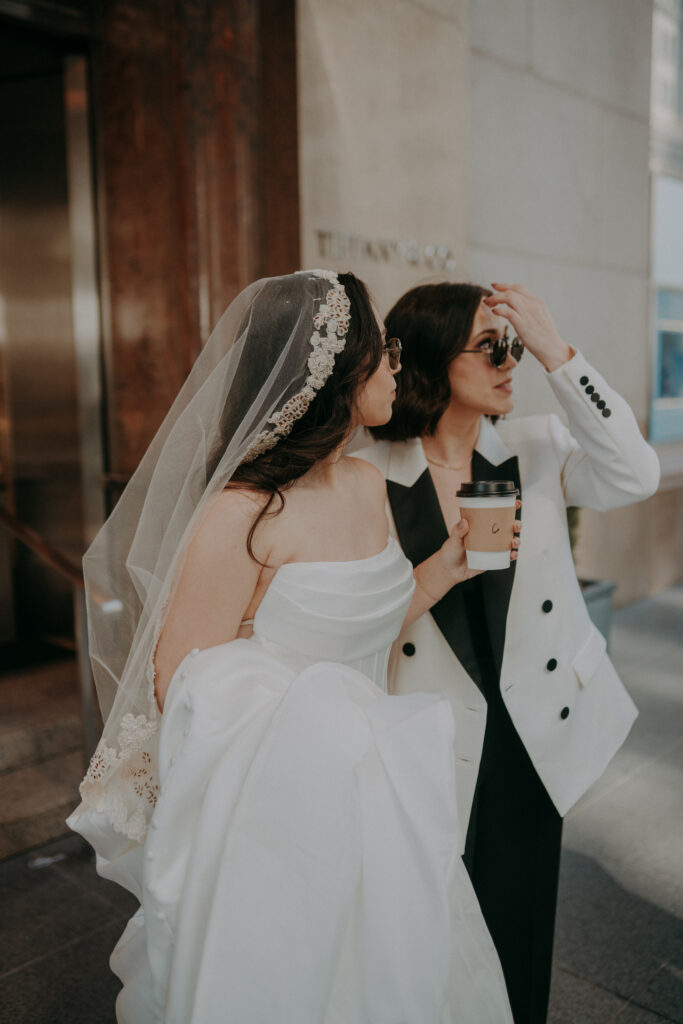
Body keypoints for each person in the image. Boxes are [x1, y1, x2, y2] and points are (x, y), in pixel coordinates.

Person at [67, 270, 516, 1023]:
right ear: (342, 376)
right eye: (383, 354)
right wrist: (307, 727)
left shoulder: (368, 486)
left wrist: (448, 566)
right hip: (277, 808)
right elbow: (180, 681)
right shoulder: (242, 512)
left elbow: (369, 626)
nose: (394, 369)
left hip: (382, 789)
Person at [354, 281, 660, 1024]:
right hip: (422, 733)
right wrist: (434, 575)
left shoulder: (535, 449)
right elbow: (354, 623)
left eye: (513, 347)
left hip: (530, 733)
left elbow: (635, 474)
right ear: (429, 357)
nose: (507, 361)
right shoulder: (369, 474)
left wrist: (556, 351)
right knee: (425, 938)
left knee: (517, 934)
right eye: (489, 347)